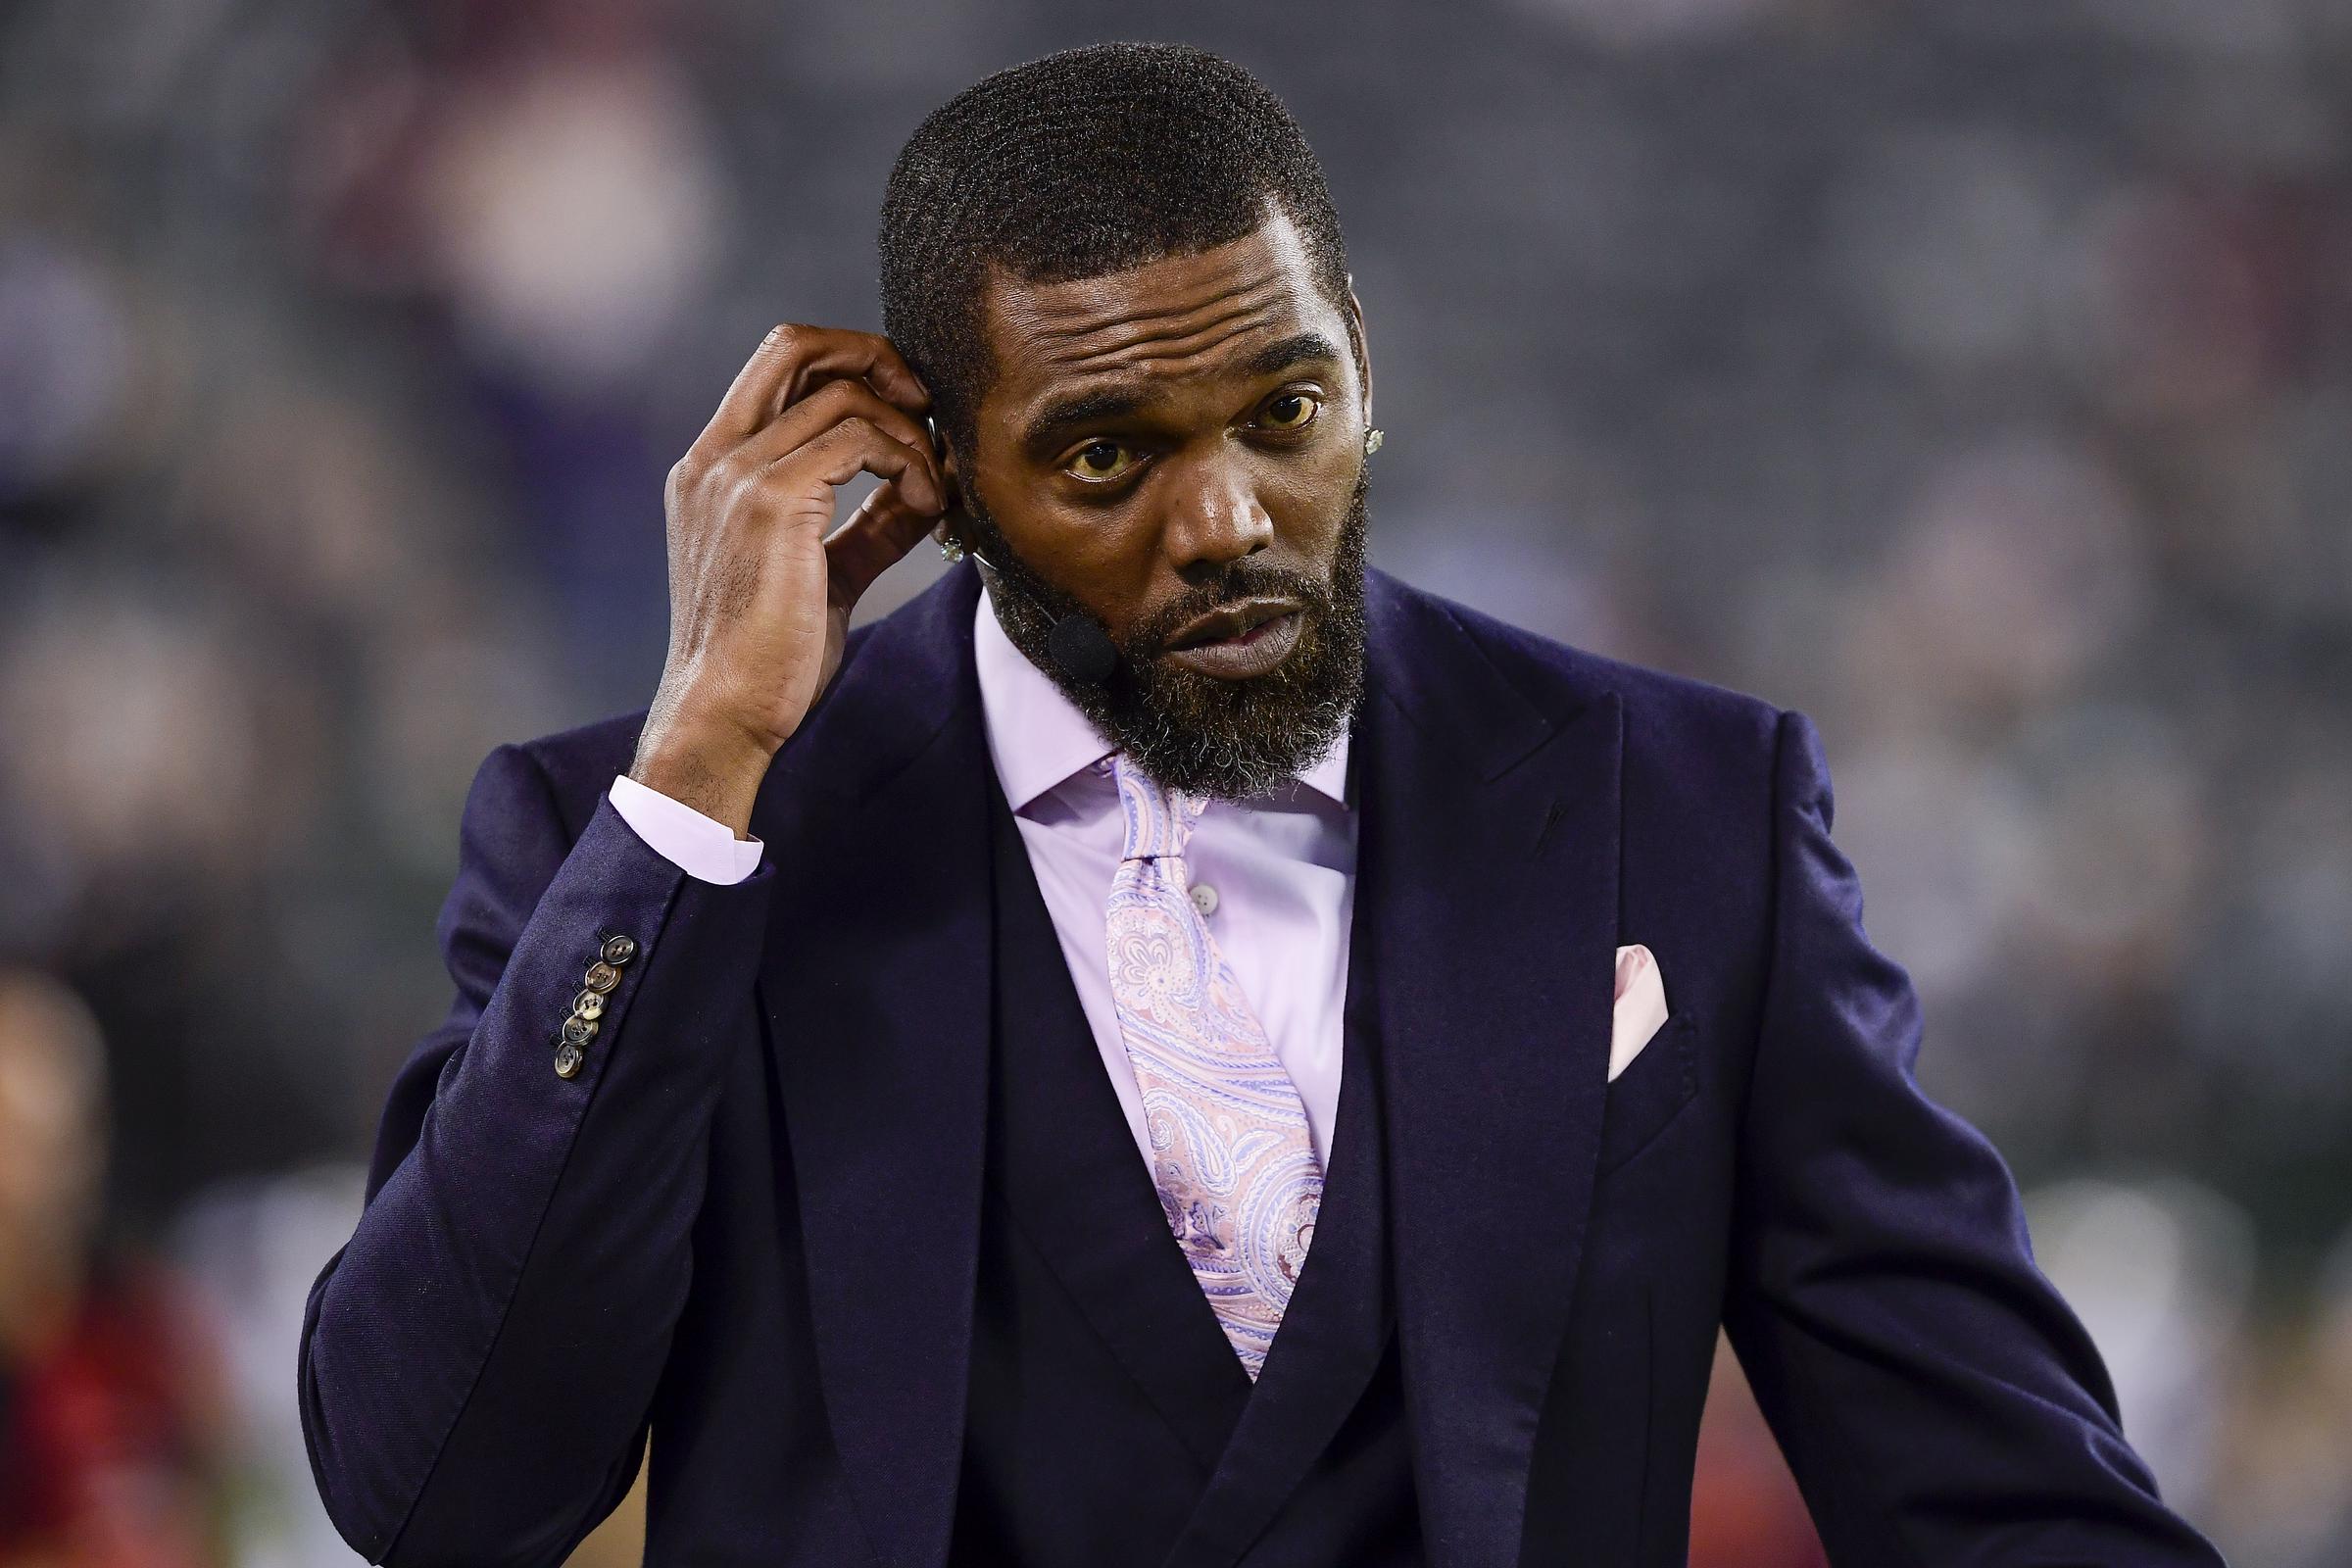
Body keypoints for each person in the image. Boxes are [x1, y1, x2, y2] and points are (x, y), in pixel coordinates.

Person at [298, 42, 2229, 1568]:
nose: (1225, 519)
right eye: (1108, 449)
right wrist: (700, 776)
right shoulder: (639, 849)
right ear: (939, 471)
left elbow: (1998, 1492)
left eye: (1282, 413)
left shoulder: (1690, 809)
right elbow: (439, 1485)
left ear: (1365, 369)